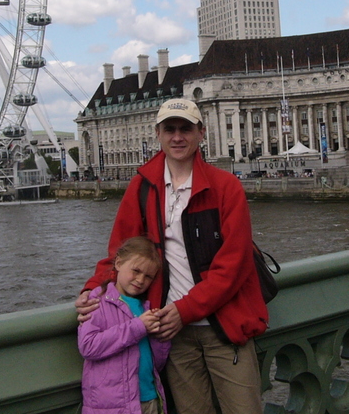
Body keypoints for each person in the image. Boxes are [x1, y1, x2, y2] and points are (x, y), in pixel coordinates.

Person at [76, 98, 268, 414]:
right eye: (170, 129)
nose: (177, 137)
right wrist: (92, 291)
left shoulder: (225, 187)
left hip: (225, 327)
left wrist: (186, 309)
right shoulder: (142, 187)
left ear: (200, 133)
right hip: (172, 334)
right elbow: (119, 254)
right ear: (158, 134)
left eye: (185, 129)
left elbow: (233, 265)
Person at [78, 236, 170, 414]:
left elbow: (156, 362)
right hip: (113, 406)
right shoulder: (96, 302)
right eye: (136, 271)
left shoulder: (146, 307)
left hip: (149, 399)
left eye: (148, 276)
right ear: (118, 263)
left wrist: (160, 336)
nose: (140, 280)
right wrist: (138, 327)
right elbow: (88, 346)